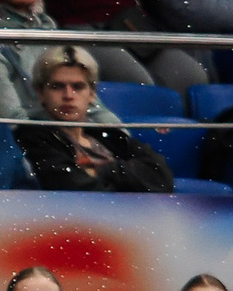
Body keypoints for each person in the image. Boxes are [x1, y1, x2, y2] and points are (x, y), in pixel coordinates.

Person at [17, 45, 175, 194]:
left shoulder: (106, 135)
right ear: (40, 93)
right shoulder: (32, 137)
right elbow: (74, 188)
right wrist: (131, 180)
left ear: (92, 94)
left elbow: (161, 178)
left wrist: (105, 169)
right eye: (57, 86)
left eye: (78, 87)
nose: (68, 96)